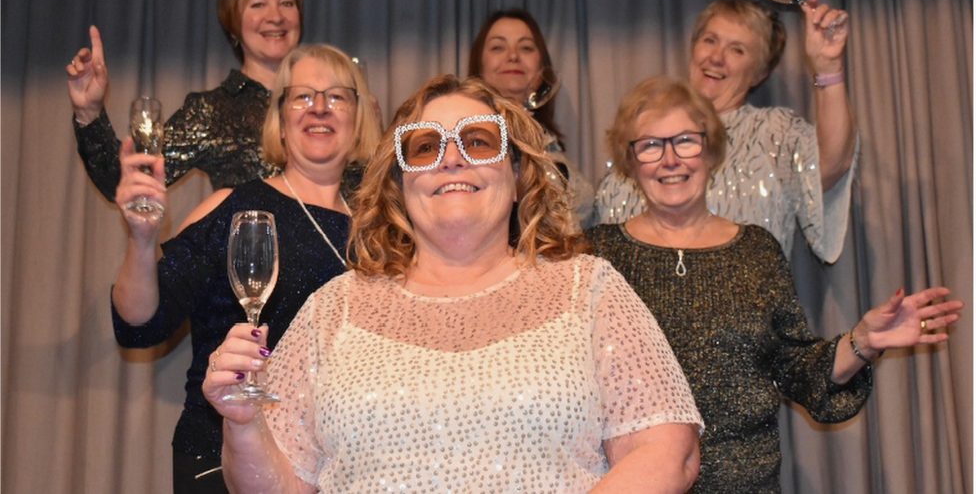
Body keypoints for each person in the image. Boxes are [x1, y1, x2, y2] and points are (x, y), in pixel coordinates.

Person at [203, 75, 704, 493]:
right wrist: (242, 424)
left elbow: (665, 452)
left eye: (478, 140)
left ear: (517, 172)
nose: (451, 158)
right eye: (424, 147)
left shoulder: (589, 289)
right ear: (399, 185)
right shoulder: (332, 309)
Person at [585, 77, 963, 493]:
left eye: (685, 141)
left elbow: (796, 367)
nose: (670, 159)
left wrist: (863, 340)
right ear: (630, 160)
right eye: (651, 145)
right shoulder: (597, 256)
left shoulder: (756, 250)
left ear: (710, 151)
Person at [111, 44, 381, 493]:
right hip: (222, 454)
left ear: (359, 117)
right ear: (279, 115)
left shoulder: (379, 232)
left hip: (335, 464)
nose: (319, 107)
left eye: (337, 96)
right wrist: (141, 240)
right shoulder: (235, 207)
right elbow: (140, 326)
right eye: (302, 96)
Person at [594, 0, 857, 262]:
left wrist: (828, 67)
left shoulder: (774, 132)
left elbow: (831, 163)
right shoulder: (640, 133)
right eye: (710, 40)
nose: (717, 58)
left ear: (759, 74)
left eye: (737, 50)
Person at [67, 0, 305, 202]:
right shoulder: (211, 111)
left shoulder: (330, 100)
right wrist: (89, 112)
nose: (276, 17)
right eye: (258, 4)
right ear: (233, 25)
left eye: (286, 3)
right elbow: (124, 180)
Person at [469, 9, 596, 226]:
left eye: (526, 47)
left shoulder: (551, 147)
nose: (513, 56)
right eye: (498, 47)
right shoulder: (464, 143)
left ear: (541, 68)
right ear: (479, 66)